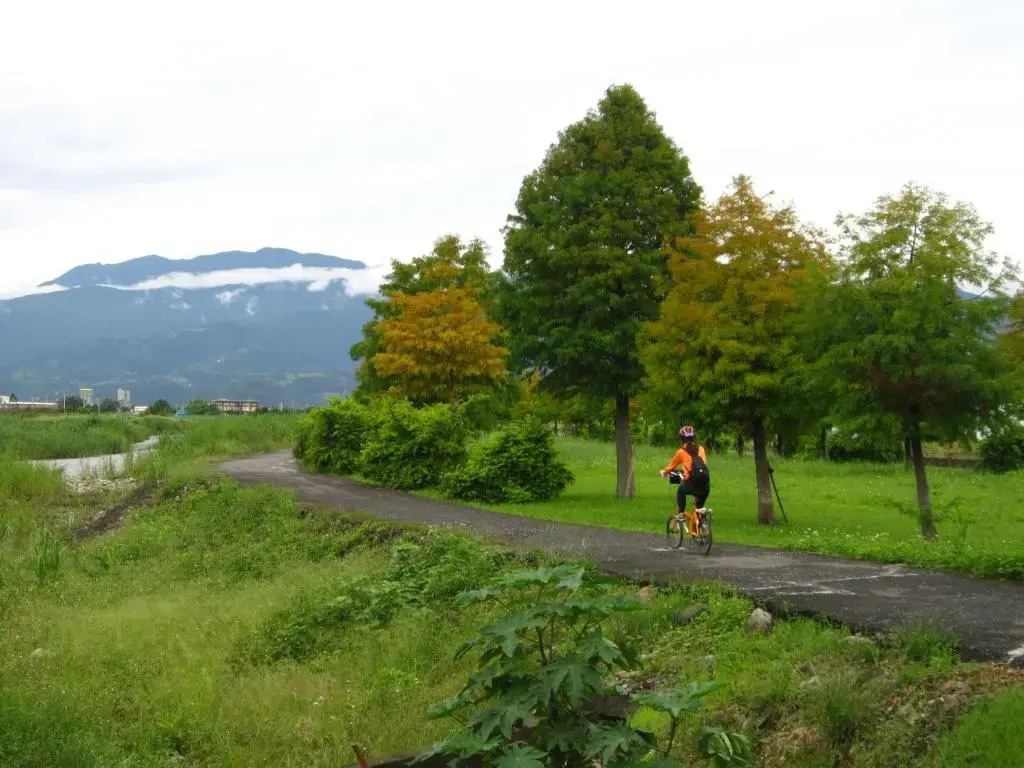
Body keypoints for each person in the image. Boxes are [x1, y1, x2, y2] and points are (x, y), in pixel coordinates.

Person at [659, 425, 711, 535]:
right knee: (699, 507)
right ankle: (702, 527)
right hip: (705, 484)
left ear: (681, 438)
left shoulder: (681, 452)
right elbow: (702, 466)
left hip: (692, 483)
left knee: (681, 491)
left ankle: (681, 514)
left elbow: (671, 467)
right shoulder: (701, 449)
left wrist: (664, 472)